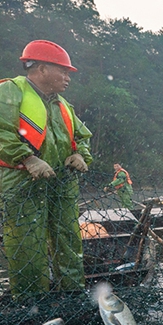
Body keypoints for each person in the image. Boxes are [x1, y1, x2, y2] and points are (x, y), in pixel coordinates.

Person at [0, 40, 92, 299]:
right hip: (21, 185)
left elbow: (83, 137)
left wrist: (80, 155)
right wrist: (27, 159)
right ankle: (32, 306)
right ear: (40, 69)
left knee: (68, 240)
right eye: (62, 71)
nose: (67, 78)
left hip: (61, 185)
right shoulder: (10, 91)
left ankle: (72, 297)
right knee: (27, 244)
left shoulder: (63, 105)